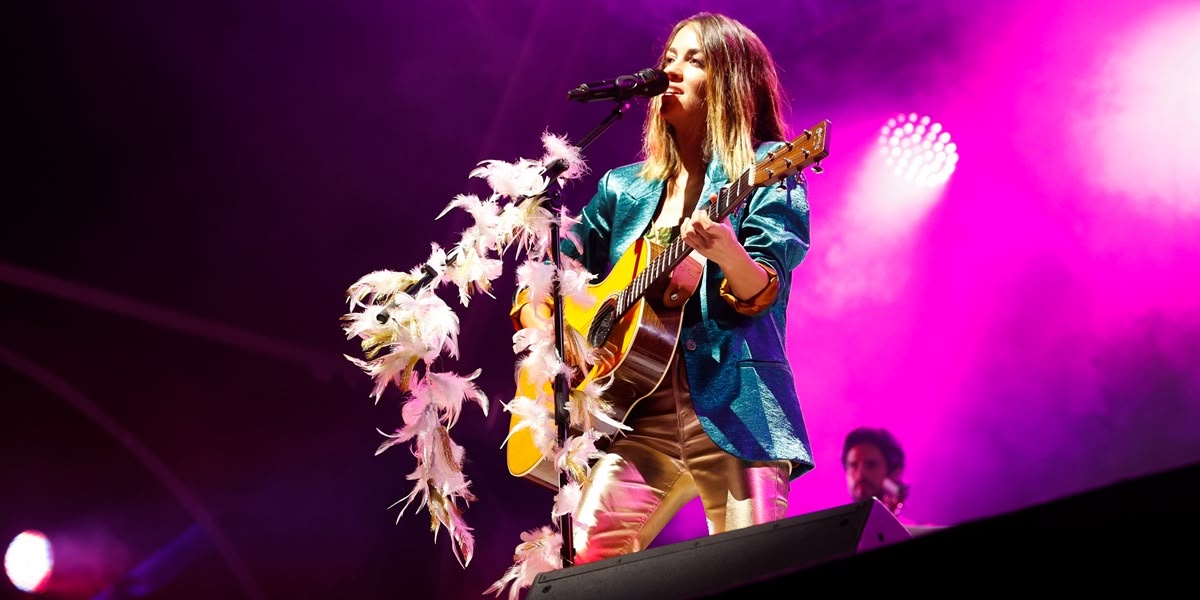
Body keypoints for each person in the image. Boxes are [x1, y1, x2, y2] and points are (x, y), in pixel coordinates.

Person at [513, 12, 814, 564]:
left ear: (730, 81)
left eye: (694, 60)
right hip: (636, 419)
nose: (672, 70)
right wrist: (550, 328)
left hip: (735, 408)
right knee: (578, 566)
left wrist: (726, 251)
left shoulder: (768, 166)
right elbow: (553, 270)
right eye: (669, 58)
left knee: (751, 570)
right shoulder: (623, 189)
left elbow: (763, 285)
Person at [842, 426, 909, 515]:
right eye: (853, 465)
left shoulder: (909, 529)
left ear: (894, 473)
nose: (860, 473)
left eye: (871, 465)